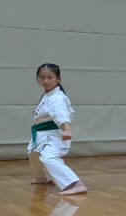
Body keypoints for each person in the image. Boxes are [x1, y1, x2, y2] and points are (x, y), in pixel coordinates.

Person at [28, 63, 87, 195]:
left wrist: (67, 129)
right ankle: (42, 178)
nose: (45, 81)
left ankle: (75, 184)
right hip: (42, 133)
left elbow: (61, 115)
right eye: (42, 77)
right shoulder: (49, 95)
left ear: (58, 79)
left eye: (50, 77)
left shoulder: (57, 98)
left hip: (53, 134)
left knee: (49, 158)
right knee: (34, 154)